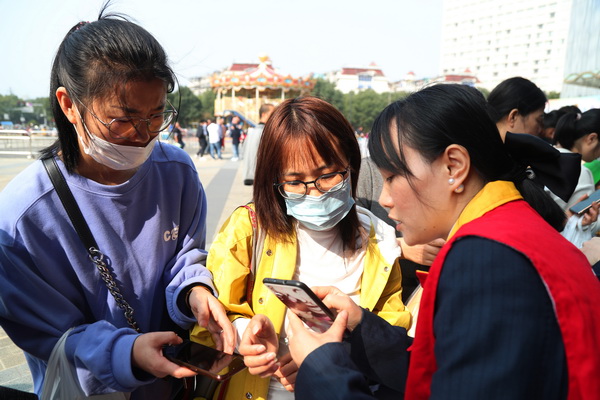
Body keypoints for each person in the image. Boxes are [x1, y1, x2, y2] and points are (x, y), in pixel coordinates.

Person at [285, 84, 600, 399]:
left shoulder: (484, 260)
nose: (384, 198)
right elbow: (445, 368)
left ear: (454, 166)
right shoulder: (507, 233)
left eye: (392, 177)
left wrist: (322, 367)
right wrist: (361, 327)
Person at [0, 10, 235, 399]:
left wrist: (194, 291)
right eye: (122, 120)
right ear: (69, 105)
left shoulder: (177, 173)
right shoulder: (22, 216)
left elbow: (186, 258)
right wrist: (127, 354)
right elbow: (50, 336)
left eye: (156, 116)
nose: (142, 136)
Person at [192, 96, 410, 400]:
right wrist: (246, 335)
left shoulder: (380, 239)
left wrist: (329, 359)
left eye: (328, 175)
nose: (315, 193)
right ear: (273, 180)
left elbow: (393, 333)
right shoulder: (247, 229)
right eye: (295, 182)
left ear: (350, 164)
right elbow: (210, 318)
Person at [356, 156, 445, 301]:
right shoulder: (367, 172)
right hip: (385, 301)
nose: (384, 200)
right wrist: (399, 248)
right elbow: (346, 246)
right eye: (389, 179)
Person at [242, 103, 275, 185]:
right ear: (263, 114)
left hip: (251, 175)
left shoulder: (251, 132)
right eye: (273, 113)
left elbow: (243, 151)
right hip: (262, 177)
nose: (275, 116)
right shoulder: (265, 133)